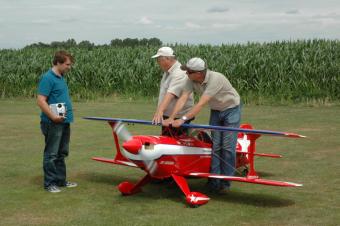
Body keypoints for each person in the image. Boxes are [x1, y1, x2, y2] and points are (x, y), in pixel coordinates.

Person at [163, 57, 241, 193]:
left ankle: (226, 183)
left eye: (188, 72)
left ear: (198, 73)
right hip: (216, 110)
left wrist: (182, 119)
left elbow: (201, 104)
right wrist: (171, 117)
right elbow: (183, 97)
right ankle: (214, 182)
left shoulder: (216, 79)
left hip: (231, 109)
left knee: (227, 147)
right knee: (216, 146)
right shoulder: (190, 79)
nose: (186, 74)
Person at [37, 50, 77, 193]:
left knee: (61, 153)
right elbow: (41, 101)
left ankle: (60, 181)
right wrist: (53, 117)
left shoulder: (61, 77)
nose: (69, 67)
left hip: (64, 121)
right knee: (51, 154)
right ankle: (49, 184)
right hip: (52, 123)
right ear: (58, 63)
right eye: (67, 64)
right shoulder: (48, 78)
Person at [151, 47, 194, 136]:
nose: (158, 62)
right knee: (166, 142)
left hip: (177, 117)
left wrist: (160, 111)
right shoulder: (168, 72)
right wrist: (160, 112)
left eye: (159, 59)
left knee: (176, 144)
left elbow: (171, 94)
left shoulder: (179, 72)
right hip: (168, 116)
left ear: (167, 59)